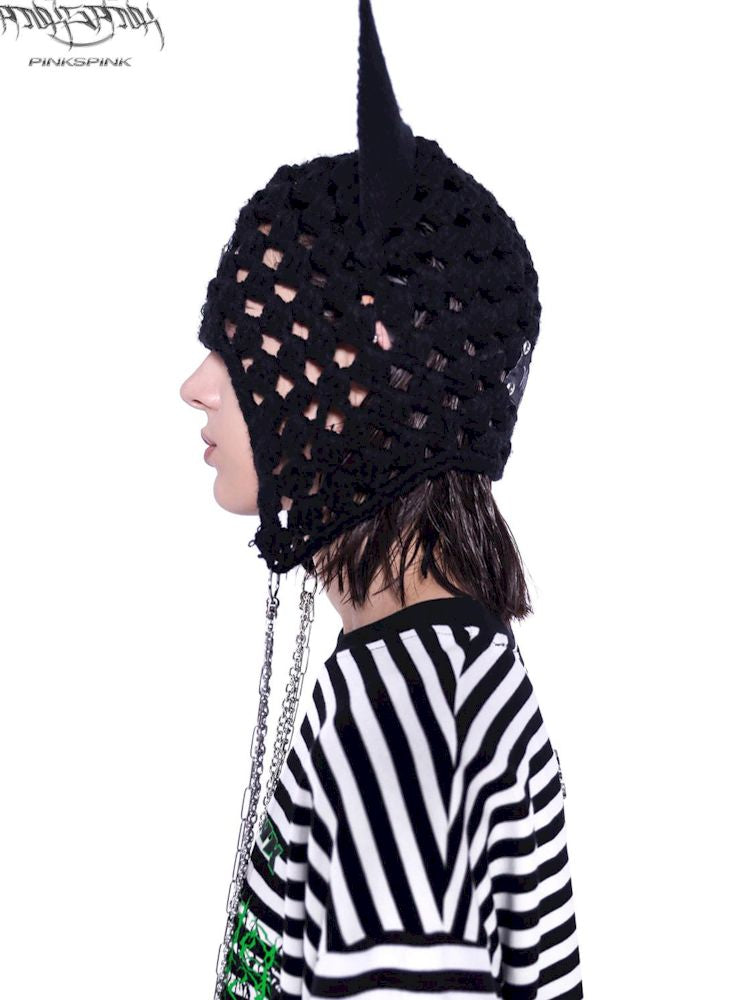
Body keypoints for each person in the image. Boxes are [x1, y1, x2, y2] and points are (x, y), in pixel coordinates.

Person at [180, 2, 583, 997]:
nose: (196, 385)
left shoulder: (404, 724)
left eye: (243, 343)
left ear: (357, 379)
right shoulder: (440, 675)